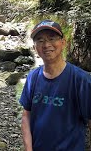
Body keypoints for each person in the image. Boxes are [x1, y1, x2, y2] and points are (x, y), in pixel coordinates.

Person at [19, 19, 91, 150]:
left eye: (52, 38)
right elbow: (26, 116)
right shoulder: (33, 77)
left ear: (63, 43)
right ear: (35, 48)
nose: (46, 45)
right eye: (40, 40)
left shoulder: (81, 80)